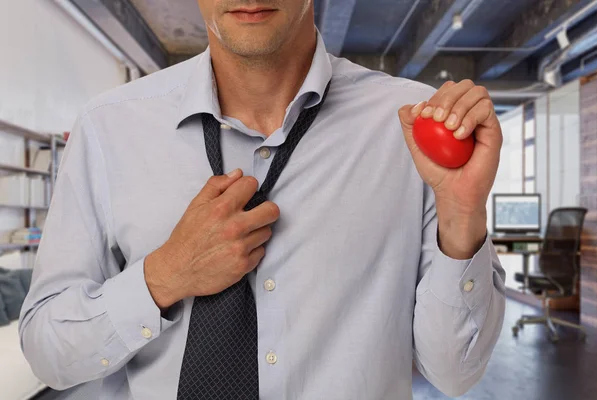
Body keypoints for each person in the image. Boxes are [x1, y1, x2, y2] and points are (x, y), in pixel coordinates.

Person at [19, 0, 506, 399]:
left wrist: (462, 214)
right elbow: (48, 351)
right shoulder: (109, 128)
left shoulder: (410, 125)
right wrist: (164, 276)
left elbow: (454, 374)